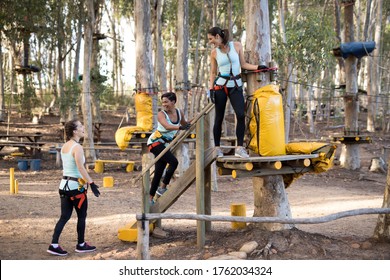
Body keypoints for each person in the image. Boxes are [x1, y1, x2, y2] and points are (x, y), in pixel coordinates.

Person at [207, 26, 268, 158]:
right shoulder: (214, 53)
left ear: (218, 36)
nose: (210, 42)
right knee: (219, 117)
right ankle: (217, 148)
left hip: (235, 85)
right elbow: (213, 72)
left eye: (211, 39)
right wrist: (211, 89)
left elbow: (243, 64)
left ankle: (239, 148)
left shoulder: (237, 46)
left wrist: (258, 67)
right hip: (220, 87)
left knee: (241, 115)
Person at [47, 119, 100, 256]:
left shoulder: (65, 146)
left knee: (64, 217)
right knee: (82, 216)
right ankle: (81, 244)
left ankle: (53, 244)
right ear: (75, 131)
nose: (83, 128)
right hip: (76, 188)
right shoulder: (77, 147)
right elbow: (80, 167)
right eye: (81, 126)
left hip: (63, 186)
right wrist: (91, 183)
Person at [147, 92, 191, 205]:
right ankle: (163, 187)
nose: (164, 104)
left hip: (165, 145)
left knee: (159, 171)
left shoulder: (179, 113)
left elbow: (185, 123)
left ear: (173, 102)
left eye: (166, 101)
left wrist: (192, 122)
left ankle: (150, 198)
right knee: (173, 162)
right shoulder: (161, 114)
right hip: (155, 142)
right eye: (163, 102)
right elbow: (167, 126)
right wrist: (180, 127)